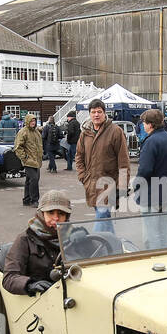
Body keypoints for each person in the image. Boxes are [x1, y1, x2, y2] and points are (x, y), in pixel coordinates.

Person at [75, 98, 129, 234]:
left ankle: (94, 246)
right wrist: (83, 176)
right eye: (93, 112)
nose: (96, 115)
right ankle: (113, 245)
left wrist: (122, 187)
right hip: (91, 184)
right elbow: (79, 156)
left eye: (99, 112)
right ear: (89, 114)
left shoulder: (115, 132)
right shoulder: (85, 133)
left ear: (105, 113)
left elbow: (123, 161)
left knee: (101, 217)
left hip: (109, 184)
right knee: (104, 218)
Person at [2, 190, 70, 296]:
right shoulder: (25, 239)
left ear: (67, 217)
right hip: (39, 298)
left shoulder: (74, 236)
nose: (56, 218)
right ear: (42, 214)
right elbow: (9, 278)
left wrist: (82, 240)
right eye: (51, 212)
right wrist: (30, 284)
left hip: (70, 291)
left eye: (61, 214)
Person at [135, 108, 167, 247]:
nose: (143, 125)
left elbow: (145, 169)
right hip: (165, 192)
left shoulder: (151, 141)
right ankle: (166, 262)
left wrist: (136, 184)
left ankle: (156, 265)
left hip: (150, 194)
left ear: (150, 124)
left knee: (152, 234)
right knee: (163, 232)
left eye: (144, 122)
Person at [14, 113, 43, 207]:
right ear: (27, 121)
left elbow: (39, 145)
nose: (33, 123)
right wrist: (24, 158)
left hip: (37, 161)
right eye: (31, 121)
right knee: (34, 179)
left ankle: (26, 199)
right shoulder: (23, 132)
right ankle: (34, 200)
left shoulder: (36, 132)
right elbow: (18, 147)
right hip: (28, 161)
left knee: (29, 180)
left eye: (34, 121)